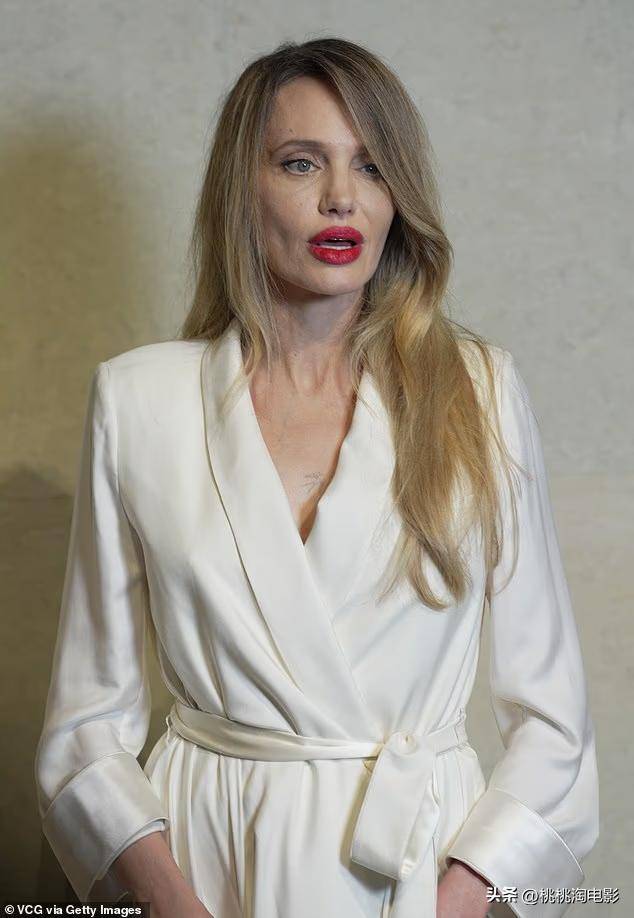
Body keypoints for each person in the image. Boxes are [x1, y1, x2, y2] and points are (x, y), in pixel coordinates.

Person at [34, 37, 599, 918]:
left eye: (372, 166)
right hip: (206, 861)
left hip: (416, 871)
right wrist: (173, 905)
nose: (343, 196)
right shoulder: (139, 401)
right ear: (242, 188)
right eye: (302, 163)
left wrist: (455, 903)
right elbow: (84, 730)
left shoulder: (478, 391)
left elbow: (555, 727)